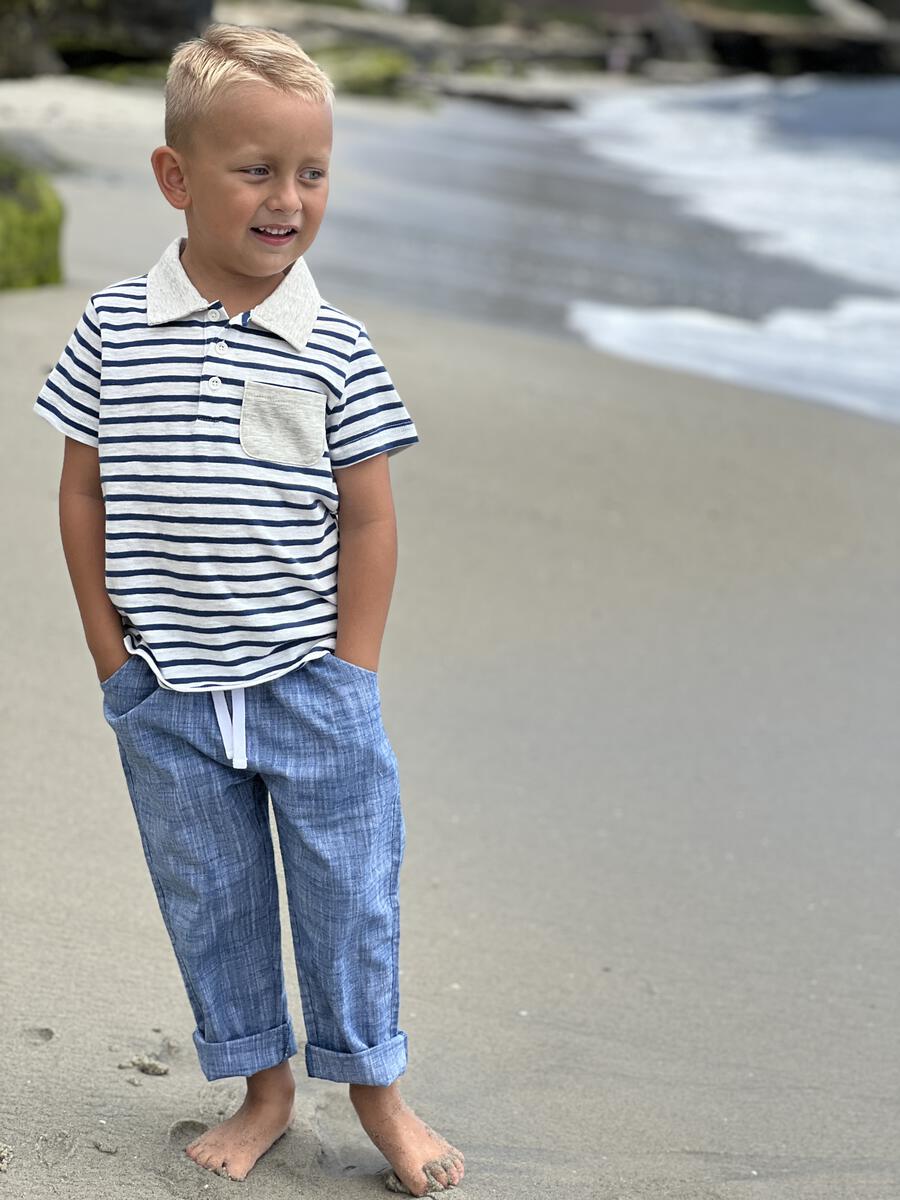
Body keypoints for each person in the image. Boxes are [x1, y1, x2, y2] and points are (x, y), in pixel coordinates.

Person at [31, 21, 464, 1197]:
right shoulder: (117, 328)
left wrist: (353, 668)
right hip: (167, 686)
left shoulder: (333, 345)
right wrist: (109, 651)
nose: (288, 200)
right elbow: (81, 491)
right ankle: (262, 1085)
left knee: (348, 895)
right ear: (177, 177)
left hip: (307, 685)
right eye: (256, 171)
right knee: (211, 902)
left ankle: (376, 1088)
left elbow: (369, 519)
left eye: (311, 173)